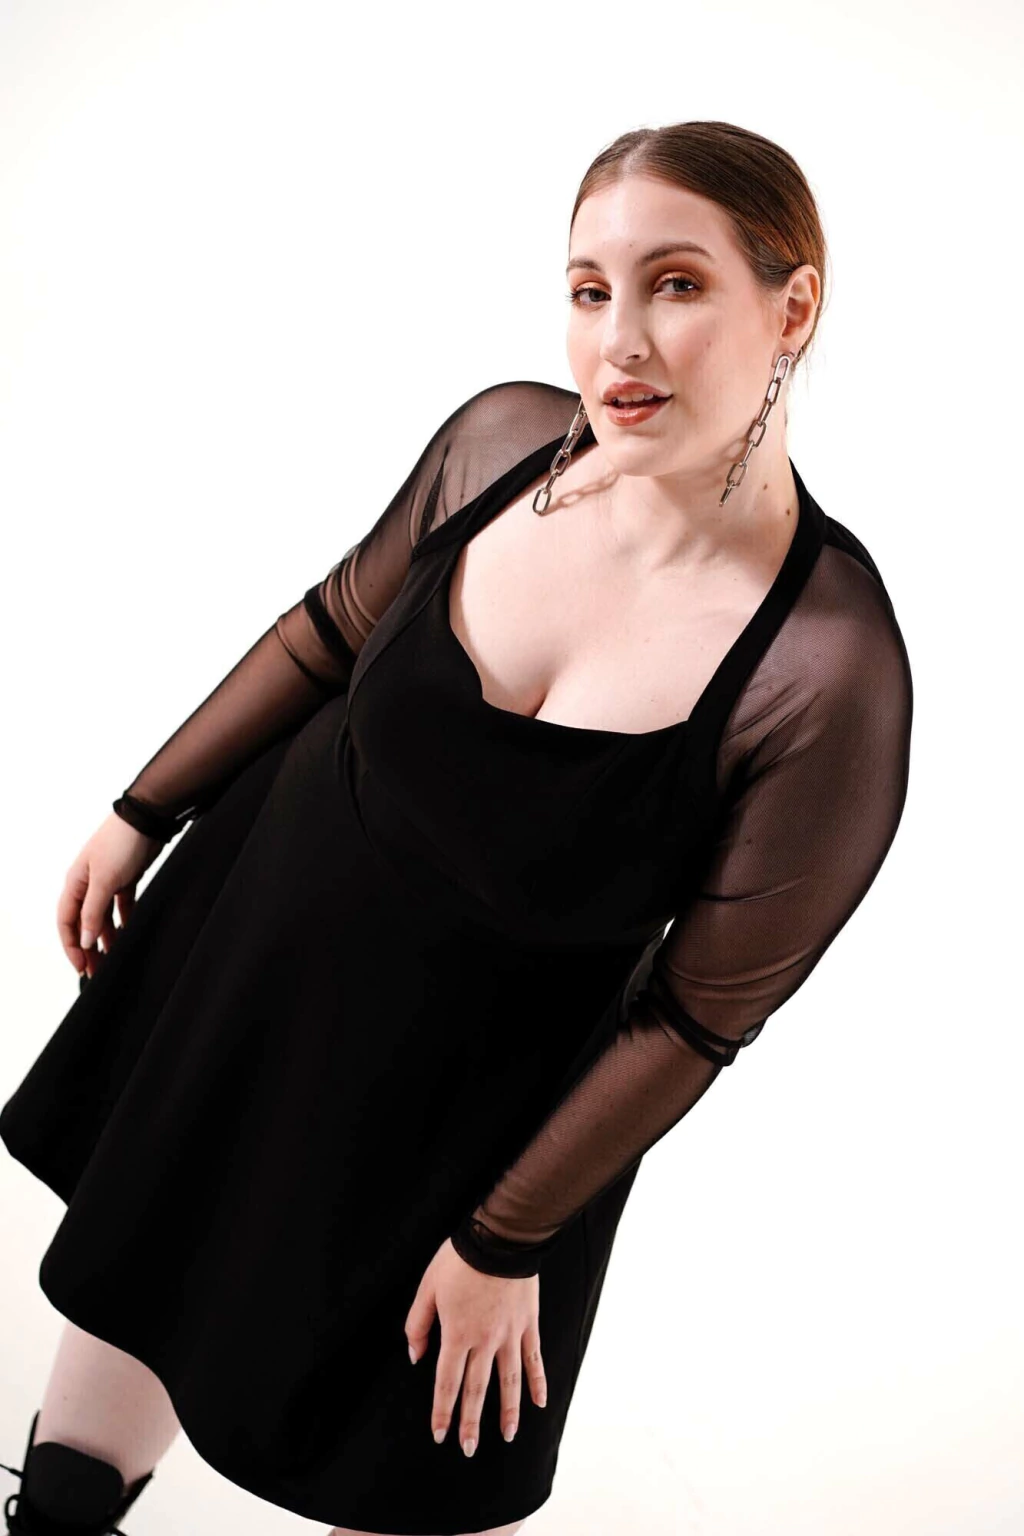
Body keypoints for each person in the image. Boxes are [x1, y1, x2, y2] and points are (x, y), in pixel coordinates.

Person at [0, 119, 913, 1536]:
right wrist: (141, 810)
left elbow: (693, 1017)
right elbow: (329, 630)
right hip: (248, 977)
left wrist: (502, 1239)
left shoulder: (825, 667)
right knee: (67, 1483)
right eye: (589, 289)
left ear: (792, 308)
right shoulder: (502, 441)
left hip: (467, 1146)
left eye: (676, 284)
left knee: (391, 1477)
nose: (619, 341)